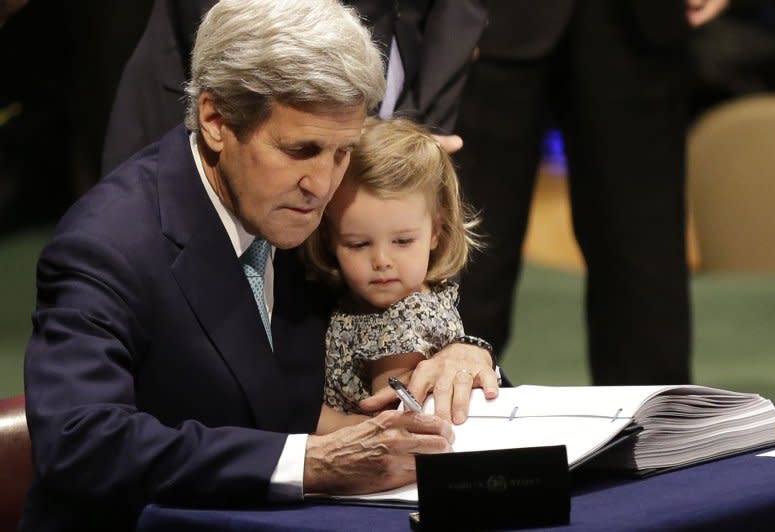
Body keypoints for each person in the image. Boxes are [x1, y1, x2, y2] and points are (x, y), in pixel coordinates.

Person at [21, 1, 496, 531]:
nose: (323, 185)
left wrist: (458, 352)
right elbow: (79, 442)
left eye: (342, 152)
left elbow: (389, 320)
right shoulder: (109, 243)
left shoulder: (312, 209)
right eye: (301, 150)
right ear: (216, 120)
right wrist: (311, 463)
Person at [454, 0, 729, 386]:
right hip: (483, 17)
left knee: (643, 260)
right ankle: (442, 417)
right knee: (466, 244)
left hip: (638, 25)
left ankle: (653, 433)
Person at [100, 0, 488, 175]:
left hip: (393, 99)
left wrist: (417, 129)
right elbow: (227, 30)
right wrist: (338, 131)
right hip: (231, 92)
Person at [302, 118, 486, 431]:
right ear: (329, 240)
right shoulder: (382, 300)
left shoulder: (401, 323)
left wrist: (290, 419)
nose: (382, 261)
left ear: (436, 232)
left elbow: (392, 427)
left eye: (402, 241)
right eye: (358, 244)